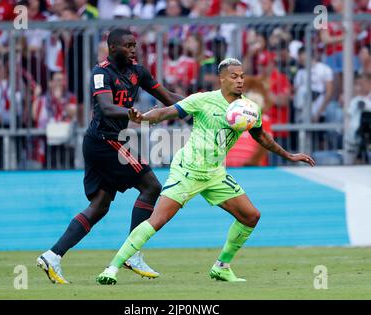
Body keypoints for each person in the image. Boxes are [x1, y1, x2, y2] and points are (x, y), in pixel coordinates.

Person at [95, 58, 315, 285]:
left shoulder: (248, 109)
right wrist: (141, 117)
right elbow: (165, 113)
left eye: (241, 76)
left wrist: (289, 155)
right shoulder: (202, 100)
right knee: (158, 220)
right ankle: (112, 268)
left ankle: (222, 267)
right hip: (188, 170)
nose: (239, 80)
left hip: (215, 174)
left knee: (251, 216)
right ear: (222, 79)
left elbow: (261, 137)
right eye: (234, 76)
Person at [36, 28, 183, 284]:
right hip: (104, 142)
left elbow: (168, 98)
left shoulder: (138, 72)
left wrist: (202, 102)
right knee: (151, 186)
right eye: (128, 45)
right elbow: (105, 106)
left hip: (105, 142)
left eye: (135, 45)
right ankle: (132, 253)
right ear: (112, 48)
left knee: (100, 206)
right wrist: (130, 114)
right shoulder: (100, 73)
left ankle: (53, 255)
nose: (133, 49)